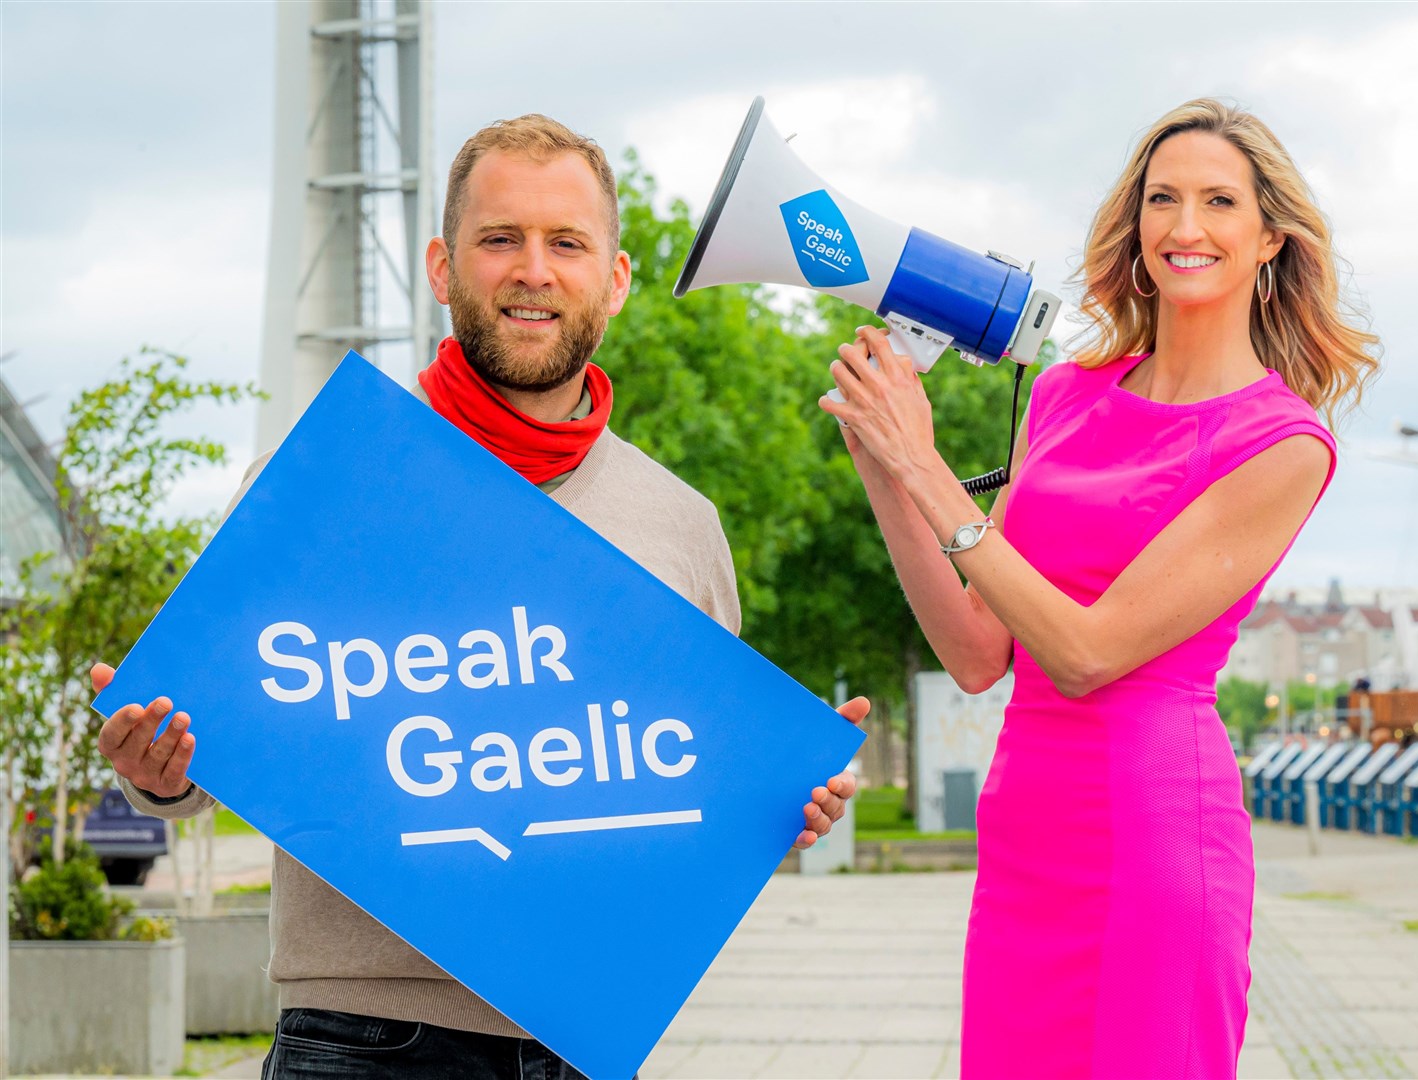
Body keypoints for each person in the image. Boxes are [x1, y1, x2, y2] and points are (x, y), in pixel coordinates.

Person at [94, 114, 865, 1080]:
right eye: (500, 239)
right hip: (360, 1038)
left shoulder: (681, 527)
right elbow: (196, 767)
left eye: (567, 243)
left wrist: (774, 796)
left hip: (585, 1041)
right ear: (442, 267)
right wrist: (155, 769)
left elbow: (668, 800)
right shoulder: (317, 485)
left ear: (615, 278)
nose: (532, 270)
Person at [819, 98, 1378, 1078]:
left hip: (1154, 835)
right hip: (1026, 828)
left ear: (1267, 241)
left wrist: (927, 473)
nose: (1183, 226)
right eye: (1160, 198)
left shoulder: (1280, 444)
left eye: (1217, 201)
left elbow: (1084, 653)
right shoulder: (1063, 394)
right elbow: (978, 652)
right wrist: (881, 456)